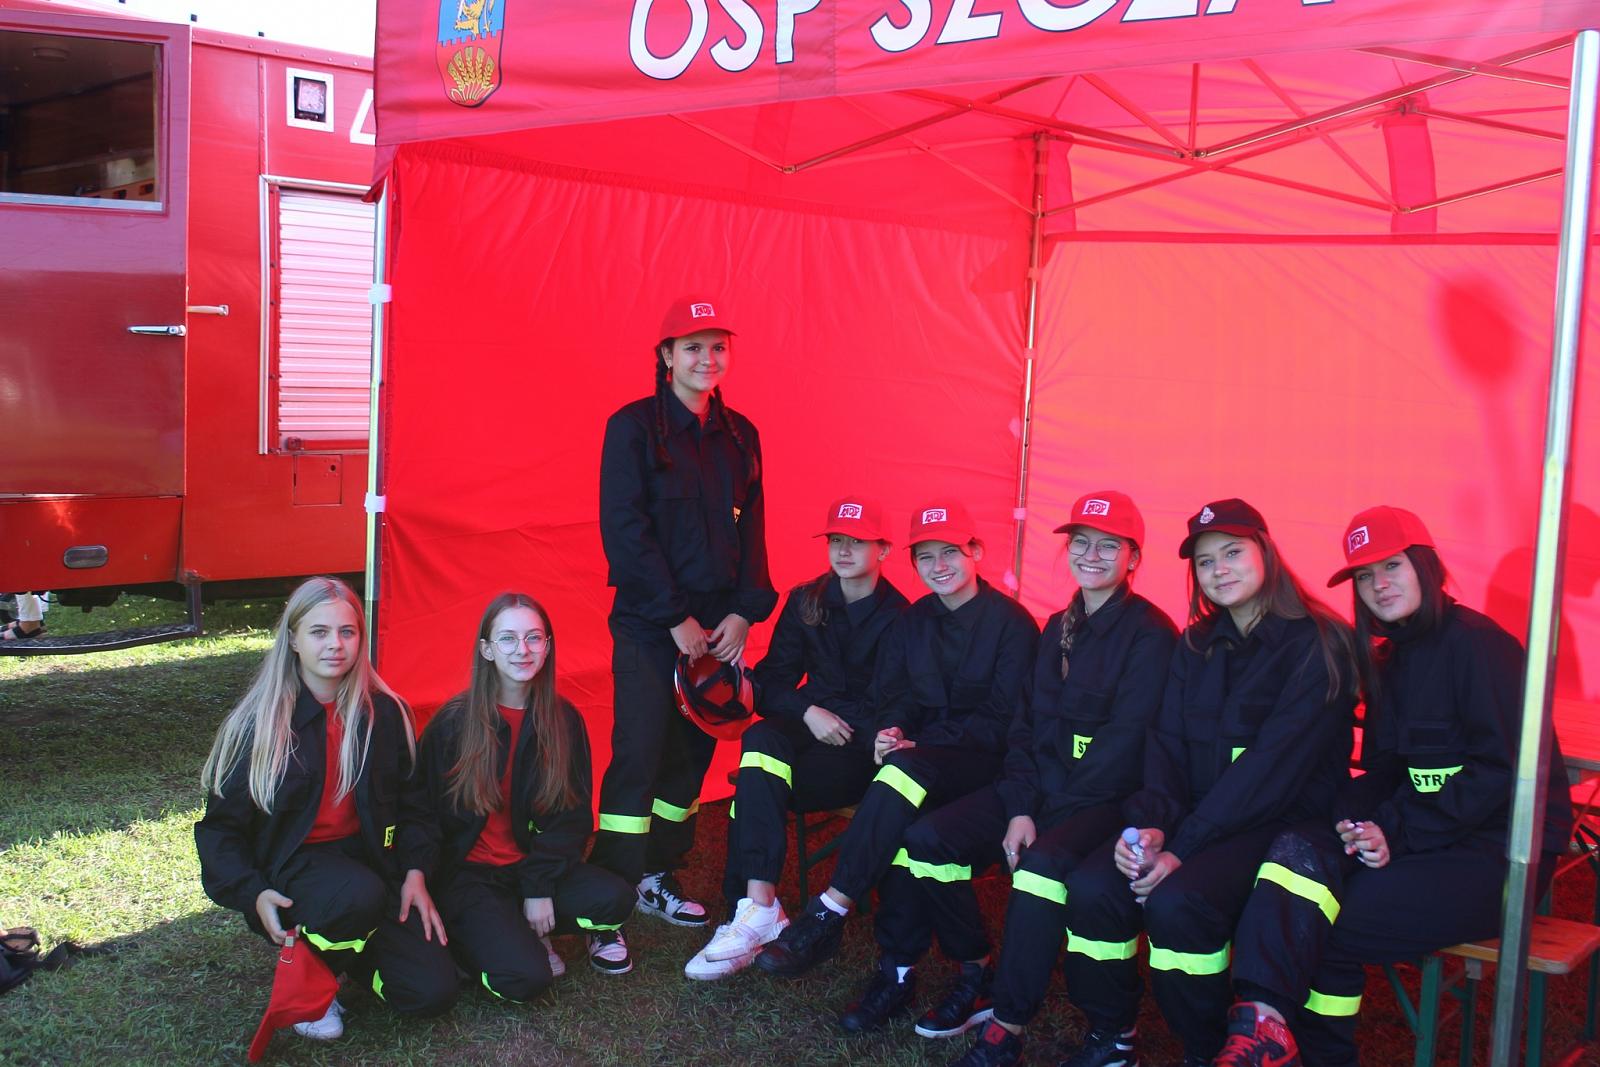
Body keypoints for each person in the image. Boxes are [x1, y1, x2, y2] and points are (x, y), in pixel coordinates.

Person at [1215, 506, 1575, 1067]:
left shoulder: (1482, 646)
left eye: (1391, 566)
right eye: (1364, 575)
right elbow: (1385, 768)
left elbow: (1502, 775)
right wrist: (1353, 816)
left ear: (1425, 567)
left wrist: (1397, 830)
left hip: (1500, 852)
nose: (1378, 584)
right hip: (1426, 838)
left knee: (1332, 920)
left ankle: (1305, 1048)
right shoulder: (1387, 659)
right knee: (1297, 850)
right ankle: (1265, 1024)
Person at [1057, 499, 1358, 1067]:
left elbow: (1270, 771)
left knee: (1179, 901)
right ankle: (1113, 1035)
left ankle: (1212, 1050)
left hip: (1278, 823)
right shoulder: (1195, 645)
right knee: (1095, 885)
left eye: (1232, 553)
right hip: (1195, 818)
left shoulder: (1319, 642)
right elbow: (1166, 746)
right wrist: (1152, 828)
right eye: (1204, 561)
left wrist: (1182, 848)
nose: (1219, 570)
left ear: (1265, 552)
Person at [755, 501, 1041, 1033]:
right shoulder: (913, 622)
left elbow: (1004, 722)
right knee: (901, 819)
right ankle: (899, 970)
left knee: (900, 777)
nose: (938, 566)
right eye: (926, 557)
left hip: (987, 765)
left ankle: (831, 910)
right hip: (922, 757)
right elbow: (898, 696)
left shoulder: (1013, 625)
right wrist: (892, 729)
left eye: (950, 552)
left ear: (976, 552)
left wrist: (916, 742)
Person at [942, 492, 1179, 1064]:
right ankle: (963, 969)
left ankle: (1008, 1023)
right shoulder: (1056, 627)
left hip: (1110, 801)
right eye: (1080, 543)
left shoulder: (1151, 633)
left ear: (1134, 557)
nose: (1090, 555)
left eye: (1108, 545)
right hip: (1044, 794)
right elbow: (1026, 727)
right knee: (931, 837)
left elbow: (1127, 743)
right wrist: (1022, 806)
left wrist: (1047, 817)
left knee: (1042, 868)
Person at [195, 577, 456, 1043]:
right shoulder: (256, 725)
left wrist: (416, 871)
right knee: (356, 894)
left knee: (431, 992)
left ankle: (348, 952)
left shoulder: (386, 713)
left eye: (347, 631)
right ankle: (312, 978)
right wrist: (253, 893)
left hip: (372, 866)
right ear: (293, 639)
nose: (335, 644)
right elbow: (221, 831)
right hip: (295, 869)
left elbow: (415, 806)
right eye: (319, 632)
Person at [592, 297, 777, 928]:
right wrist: (675, 618)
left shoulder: (741, 436)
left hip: (717, 632)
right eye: (693, 347)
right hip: (652, 626)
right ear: (666, 356)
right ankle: (611, 887)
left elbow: (753, 531)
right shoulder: (632, 428)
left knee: (691, 758)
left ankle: (657, 874)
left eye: (718, 347)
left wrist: (744, 615)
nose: (707, 359)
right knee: (639, 750)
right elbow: (625, 531)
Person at [685, 495, 910, 980]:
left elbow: (898, 705)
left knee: (759, 779)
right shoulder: (806, 600)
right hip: (810, 728)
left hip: (858, 749)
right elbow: (771, 682)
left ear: (884, 550)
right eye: (836, 540)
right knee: (761, 741)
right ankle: (760, 905)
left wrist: (856, 730)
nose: (843, 551)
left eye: (857, 542)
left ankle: (750, 910)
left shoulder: (903, 618)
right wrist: (809, 712)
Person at [409, 593, 638, 994]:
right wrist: (420, 874)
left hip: (528, 866)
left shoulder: (564, 719)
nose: (522, 650)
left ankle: (517, 925)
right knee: (526, 979)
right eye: (508, 639)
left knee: (615, 898)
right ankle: (483, 936)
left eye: (534, 638)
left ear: (547, 647)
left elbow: (571, 818)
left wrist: (538, 887)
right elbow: (419, 809)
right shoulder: (453, 723)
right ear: (487, 649)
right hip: (470, 877)